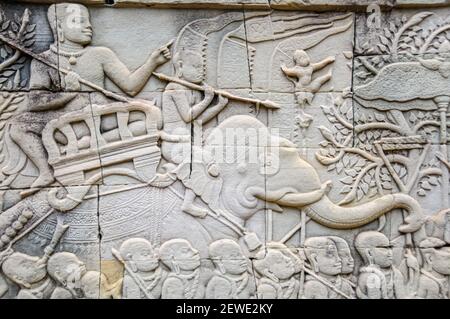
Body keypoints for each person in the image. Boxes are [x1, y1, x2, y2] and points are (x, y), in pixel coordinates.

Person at [9, 3, 171, 188]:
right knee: (18, 125)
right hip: (65, 124)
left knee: (153, 115)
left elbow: (131, 87)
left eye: (88, 21)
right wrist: (69, 93)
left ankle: (88, 143)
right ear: (59, 26)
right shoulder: (44, 61)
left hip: (101, 117)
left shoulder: (100, 54)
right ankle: (46, 171)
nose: (89, 26)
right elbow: (34, 101)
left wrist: (153, 62)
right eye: (79, 21)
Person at [161, 49, 228, 218]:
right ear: (181, 67)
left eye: (203, 67)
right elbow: (187, 116)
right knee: (202, 162)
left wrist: (218, 106)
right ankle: (189, 204)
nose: (202, 70)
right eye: (196, 67)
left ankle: (189, 202)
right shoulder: (174, 87)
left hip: (188, 144)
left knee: (206, 161)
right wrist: (207, 99)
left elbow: (198, 121)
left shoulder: (193, 90)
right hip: (173, 144)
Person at [355, 231, 406, 299]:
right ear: (369, 253)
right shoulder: (371, 278)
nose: (390, 253)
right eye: (384, 248)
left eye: (390, 247)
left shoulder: (396, 273)